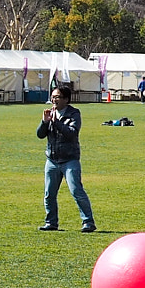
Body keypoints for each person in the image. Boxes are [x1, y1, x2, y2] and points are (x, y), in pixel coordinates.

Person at [36, 85, 95, 232]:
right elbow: (40, 135)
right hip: (52, 159)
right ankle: (51, 222)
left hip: (70, 160)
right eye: (53, 97)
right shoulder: (50, 113)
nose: (54, 100)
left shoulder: (74, 113)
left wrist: (56, 122)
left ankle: (88, 222)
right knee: (49, 194)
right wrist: (45, 122)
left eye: (57, 97)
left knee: (76, 191)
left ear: (66, 99)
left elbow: (71, 133)